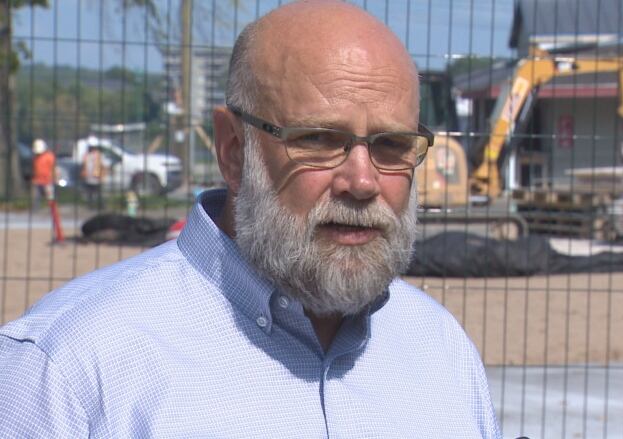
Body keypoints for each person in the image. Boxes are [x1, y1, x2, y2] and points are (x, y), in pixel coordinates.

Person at [0, 1, 500, 437]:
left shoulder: (439, 348)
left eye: (392, 146)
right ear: (235, 150)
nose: (364, 182)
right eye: (320, 140)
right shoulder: (68, 367)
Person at [30, 138, 56, 211]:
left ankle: (52, 210)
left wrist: (54, 178)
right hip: (37, 180)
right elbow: (35, 168)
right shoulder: (36, 158)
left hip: (48, 180)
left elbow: (53, 168)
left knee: (50, 197)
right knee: (35, 197)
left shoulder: (49, 156)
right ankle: (35, 209)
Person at [81, 142, 105, 209]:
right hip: (90, 177)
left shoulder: (97, 155)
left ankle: (100, 205)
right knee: (92, 193)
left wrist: (102, 175)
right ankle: (92, 206)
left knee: (96, 193)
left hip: (95, 177)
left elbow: (102, 166)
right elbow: (84, 166)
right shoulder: (87, 155)